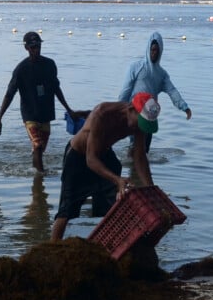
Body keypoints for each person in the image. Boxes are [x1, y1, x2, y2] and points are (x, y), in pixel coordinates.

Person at [51, 92, 160, 241]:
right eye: (140, 122)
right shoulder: (102, 114)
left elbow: (139, 156)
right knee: (66, 210)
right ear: (131, 110)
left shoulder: (138, 125)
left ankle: (113, 243)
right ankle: (52, 247)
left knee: (117, 205)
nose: (140, 127)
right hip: (78, 156)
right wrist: (117, 180)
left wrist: (150, 188)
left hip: (104, 153)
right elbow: (91, 159)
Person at [0, 31, 77, 172]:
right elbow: (9, 94)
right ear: (26, 48)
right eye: (33, 47)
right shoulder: (21, 69)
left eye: (38, 46)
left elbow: (56, 89)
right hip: (30, 115)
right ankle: (40, 178)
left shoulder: (50, 65)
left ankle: (35, 173)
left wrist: (69, 110)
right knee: (38, 146)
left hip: (46, 114)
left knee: (40, 149)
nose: (36, 50)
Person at [117, 31, 191, 151]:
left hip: (150, 115)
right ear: (148, 49)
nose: (154, 53)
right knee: (134, 146)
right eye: (152, 50)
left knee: (145, 149)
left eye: (157, 50)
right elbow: (126, 90)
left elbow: (172, 91)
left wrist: (184, 107)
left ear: (160, 51)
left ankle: (139, 161)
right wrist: (118, 110)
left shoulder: (162, 74)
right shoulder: (135, 67)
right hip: (134, 112)